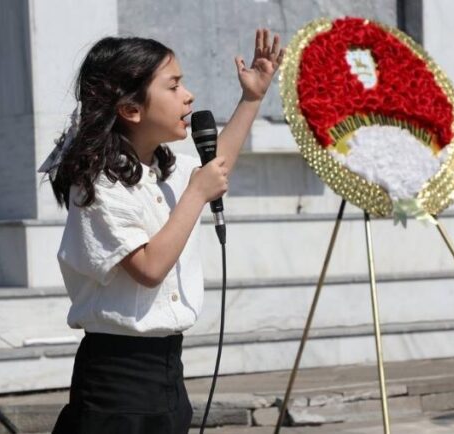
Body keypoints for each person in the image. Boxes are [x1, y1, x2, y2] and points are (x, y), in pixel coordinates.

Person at [39, 30, 284, 433]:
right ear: (132, 109)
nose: (188, 95)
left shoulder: (166, 170)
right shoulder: (98, 185)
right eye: (173, 86)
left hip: (167, 372)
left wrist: (251, 99)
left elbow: (215, 166)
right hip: (117, 380)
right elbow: (149, 267)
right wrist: (196, 195)